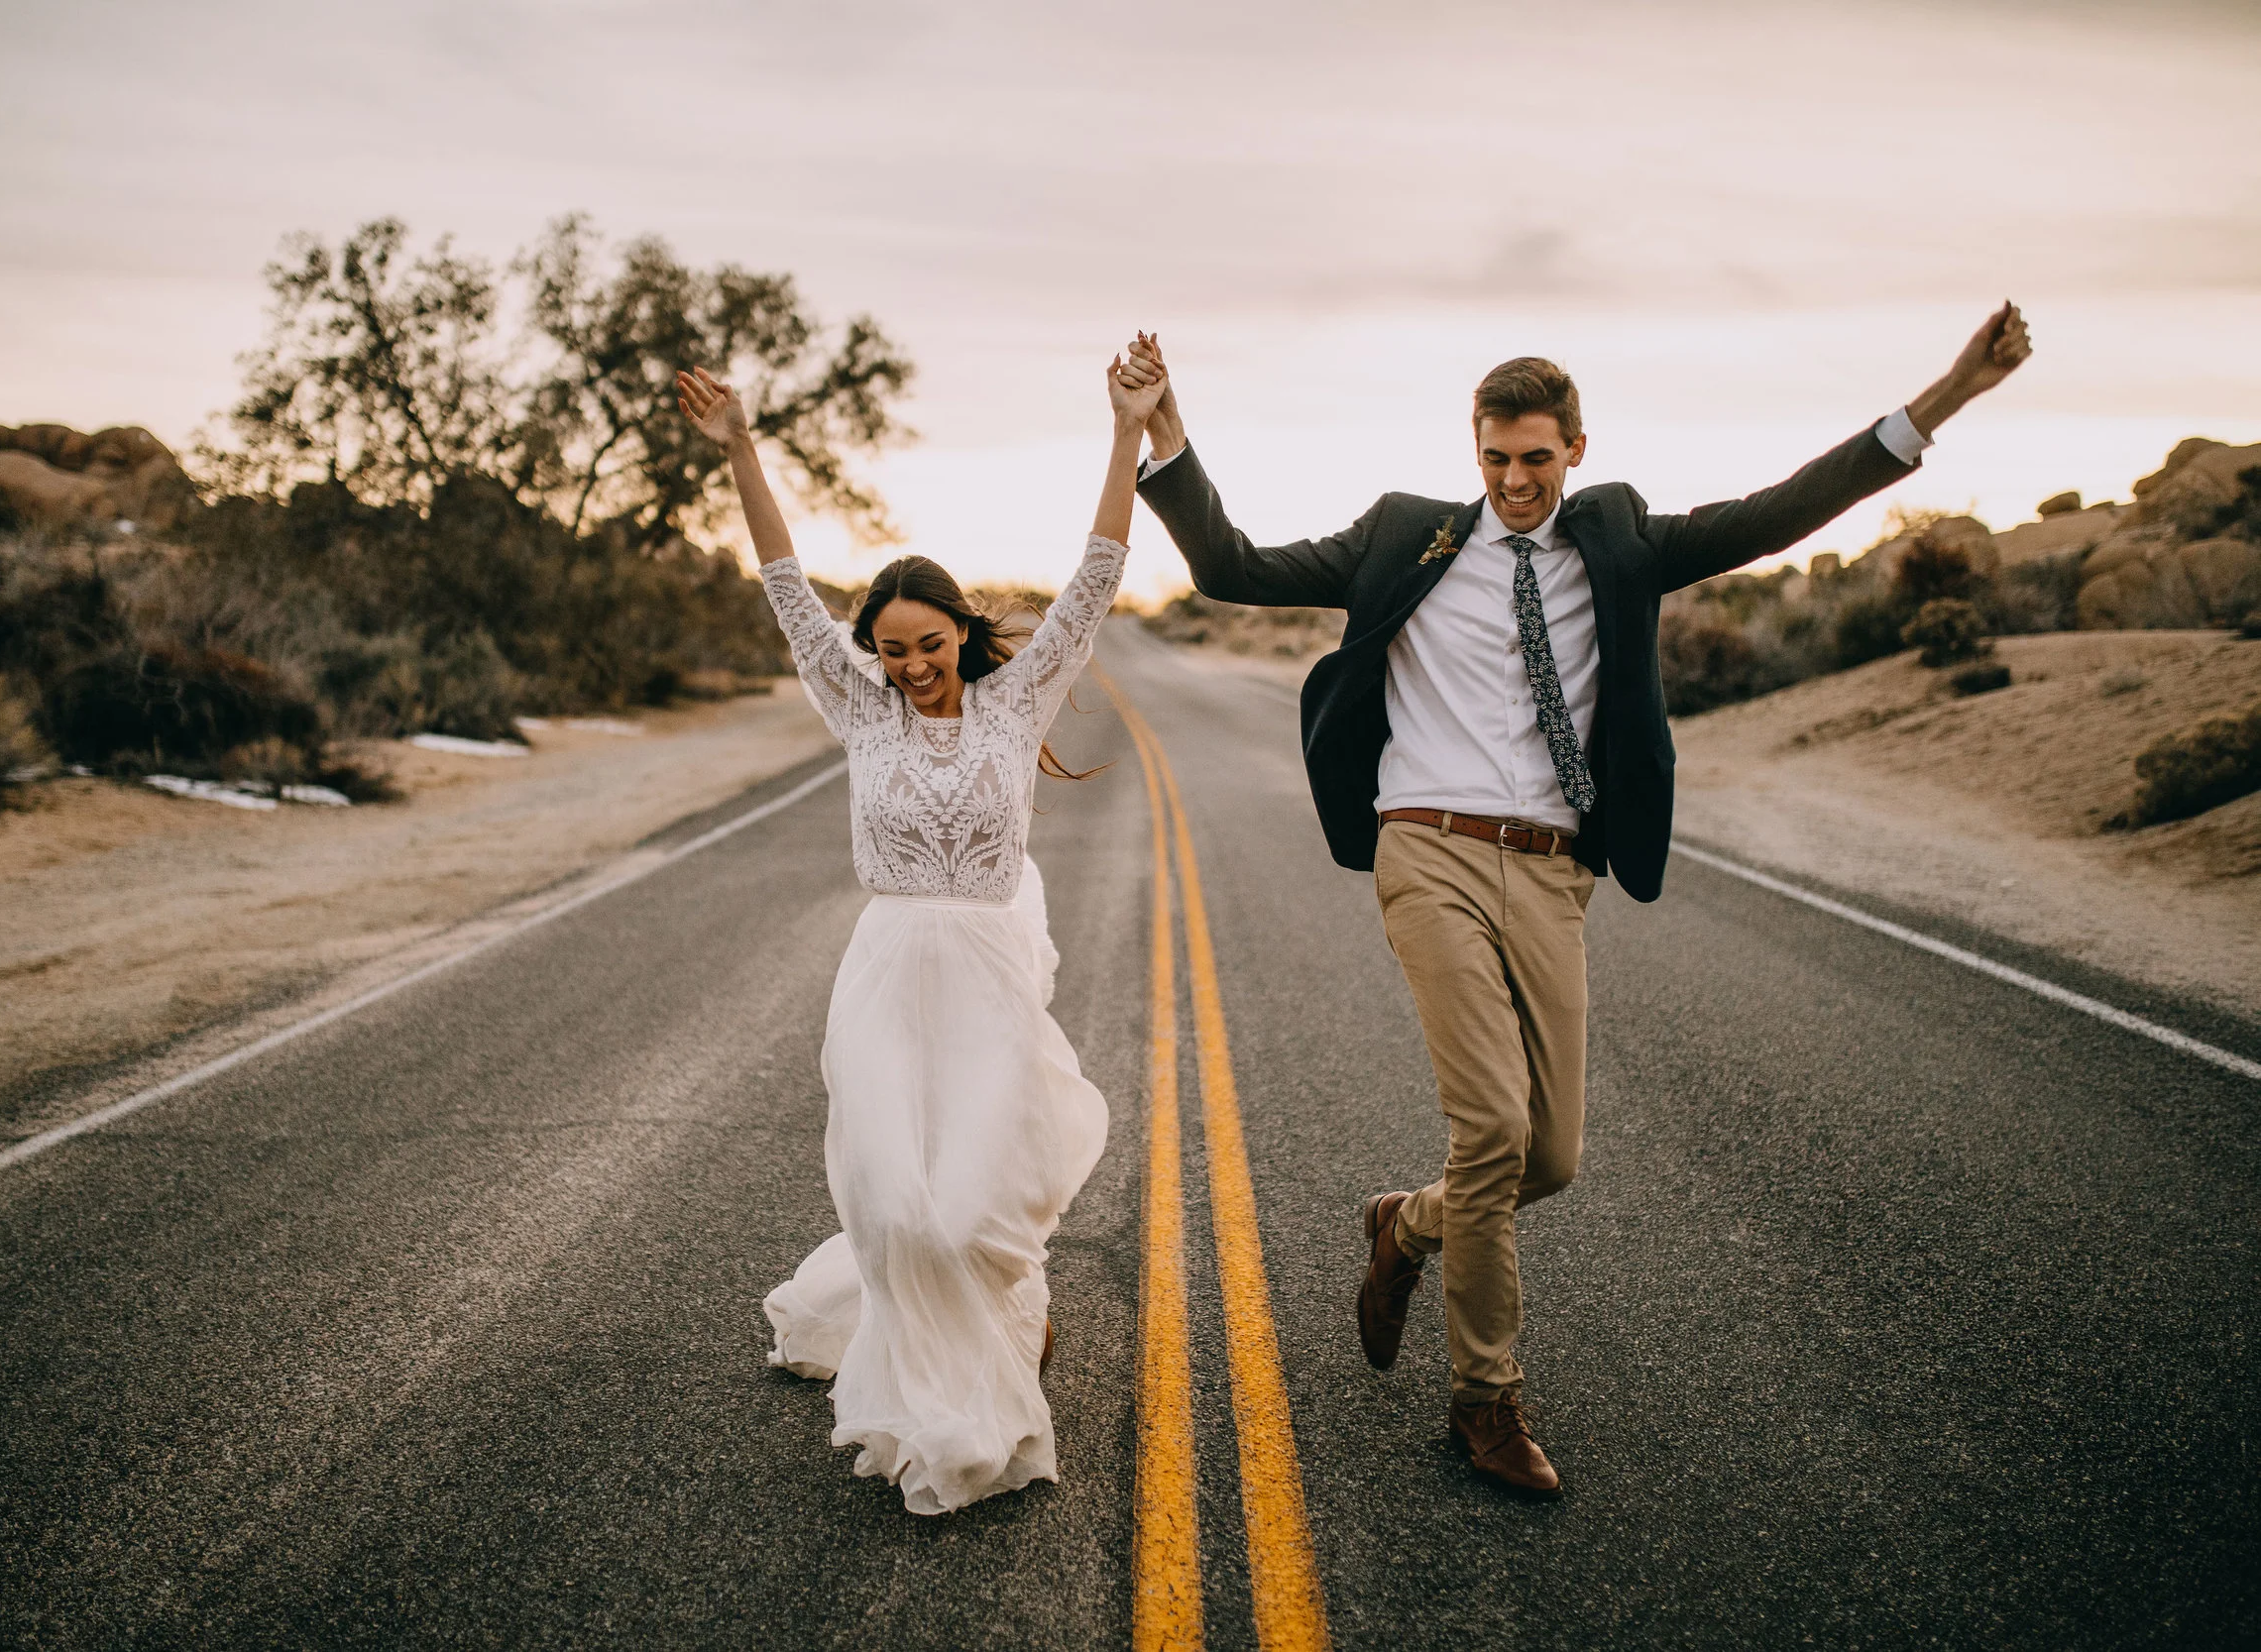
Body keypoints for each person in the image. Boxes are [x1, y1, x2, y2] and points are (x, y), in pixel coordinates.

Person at [1119, 306, 2032, 1496]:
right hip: (1426, 849)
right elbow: (1230, 566)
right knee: (1491, 1130)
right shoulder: (1405, 534)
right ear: (1476, 449)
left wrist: (1951, 391)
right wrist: (1167, 429)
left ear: (1575, 451)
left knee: (1547, 1156)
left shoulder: (1623, 538)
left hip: (1552, 867)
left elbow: (1781, 510)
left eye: (1535, 459)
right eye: (1495, 458)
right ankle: (1484, 1401)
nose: (1513, 481)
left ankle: (1403, 1228)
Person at [675, 345, 1166, 1514]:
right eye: (891, 651)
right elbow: (785, 580)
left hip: (990, 975)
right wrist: (742, 446)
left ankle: (1006, 1323)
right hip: (889, 972)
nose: (910, 668)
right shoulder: (856, 702)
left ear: (958, 631)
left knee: (970, 1205)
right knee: (895, 1203)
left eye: (928, 645)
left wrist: (1125, 433)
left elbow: (1096, 576)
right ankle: (933, 1350)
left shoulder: (1016, 699)